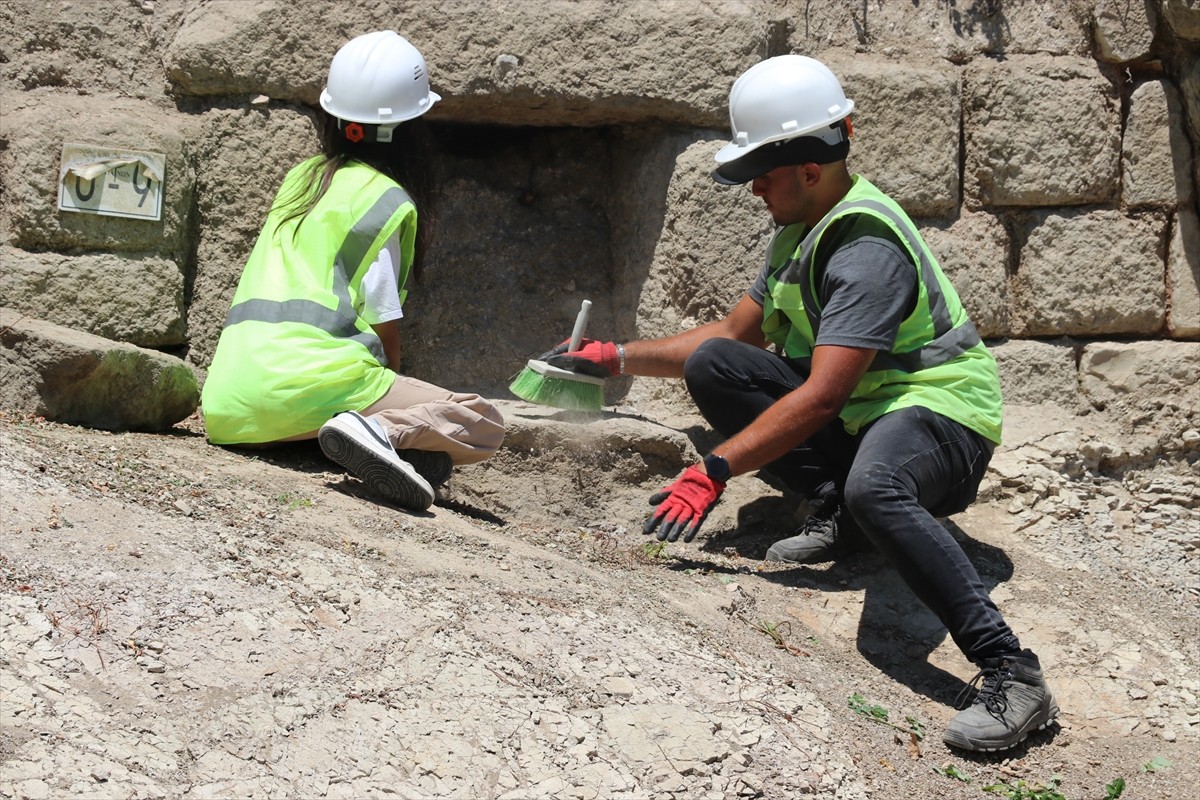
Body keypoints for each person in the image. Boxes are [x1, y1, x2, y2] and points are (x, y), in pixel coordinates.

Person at [542, 54, 1057, 752]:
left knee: (880, 484)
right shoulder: (801, 230)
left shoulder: (865, 247)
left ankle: (1012, 671)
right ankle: (849, 516)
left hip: (941, 420)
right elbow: (728, 337)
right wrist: (616, 358)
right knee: (718, 366)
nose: (754, 187)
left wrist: (713, 471)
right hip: (869, 417)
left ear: (809, 168)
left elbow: (820, 398)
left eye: (763, 171)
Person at [201, 31, 505, 511]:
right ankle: (378, 432)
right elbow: (384, 314)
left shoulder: (301, 179)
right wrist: (392, 391)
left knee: (409, 444)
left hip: (229, 407)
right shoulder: (389, 199)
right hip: (321, 384)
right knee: (482, 422)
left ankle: (356, 440)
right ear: (411, 128)